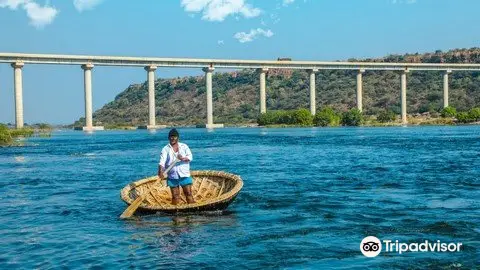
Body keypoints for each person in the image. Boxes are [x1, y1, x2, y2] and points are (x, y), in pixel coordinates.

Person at [158, 128, 195, 205]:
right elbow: (162, 161)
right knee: (175, 196)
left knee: (188, 193)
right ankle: (175, 214)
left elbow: (190, 157)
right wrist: (160, 171)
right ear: (168, 138)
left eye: (174, 136)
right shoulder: (165, 149)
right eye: (171, 136)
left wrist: (183, 158)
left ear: (178, 137)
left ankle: (193, 210)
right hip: (172, 176)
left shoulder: (184, 146)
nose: (173, 138)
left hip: (184, 174)